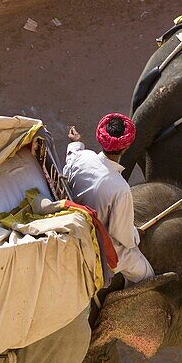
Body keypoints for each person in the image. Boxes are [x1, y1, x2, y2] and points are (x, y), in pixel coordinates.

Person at [63, 114, 155, 285]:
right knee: (146, 276)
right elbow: (122, 235)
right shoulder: (120, 188)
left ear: (100, 138)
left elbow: (73, 155)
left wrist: (76, 141)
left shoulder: (83, 158)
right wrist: (135, 234)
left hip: (73, 223)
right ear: (126, 146)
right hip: (97, 246)